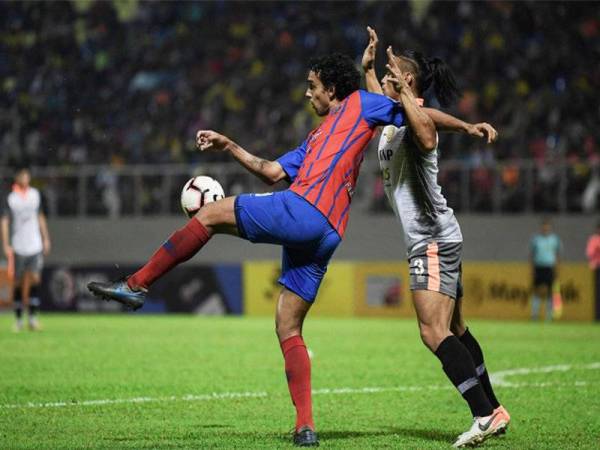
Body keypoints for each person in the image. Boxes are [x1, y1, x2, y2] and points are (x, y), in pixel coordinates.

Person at [361, 27, 509, 448]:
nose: (385, 84)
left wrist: (460, 125)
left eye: (393, 78)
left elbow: (427, 131)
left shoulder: (415, 118)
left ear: (407, 83)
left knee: (433, 330)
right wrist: (369, 68)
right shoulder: (395, 112)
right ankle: (494, 408)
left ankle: (482, 415)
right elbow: (385, 102)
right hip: (439, 235)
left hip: (430, 238)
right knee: (456, 328)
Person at [1, 166, 51, 332]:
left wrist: (45, 238)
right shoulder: (11, 198)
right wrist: (6, 243)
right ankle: (18, 320)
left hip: (34, 244)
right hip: (18, 245)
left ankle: (33, 318)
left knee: (36, 279)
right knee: (18, 282)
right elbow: (5, 221)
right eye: (22, 175)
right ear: (17, 177)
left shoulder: (35, 195)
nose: (25, 177)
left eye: (26, 175)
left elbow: (40, 217)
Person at [530, 218, 562, 321]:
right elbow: (532, 255)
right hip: (539, 267)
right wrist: (532, 270)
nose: (545, 228)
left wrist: (557, 269)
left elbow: (557, 256)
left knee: (550, 293)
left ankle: (549, 316)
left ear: (550, 227)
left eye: (547, 226)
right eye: (544, 226)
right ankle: (534, 315)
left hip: (549, 267)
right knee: (536, 292)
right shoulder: (536, 239)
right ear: (541, 227)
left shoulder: (555, 239)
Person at [585, 221, 600, 321]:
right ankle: (597, 316)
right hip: (597, 267)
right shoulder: (593, 239)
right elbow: (589, 253)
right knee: (598, 293)